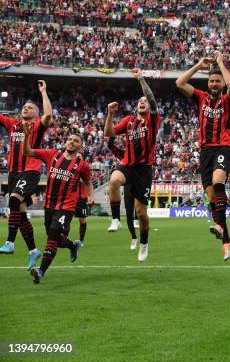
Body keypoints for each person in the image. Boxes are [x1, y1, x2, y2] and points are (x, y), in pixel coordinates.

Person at [175, 51, 230, 261]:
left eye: (217, 81)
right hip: (205, 151)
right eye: (210, 81)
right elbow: (179, 82)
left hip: (223, 147)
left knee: (217, 180)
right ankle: (227, 242)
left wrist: (220, 63)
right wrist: (198, 65)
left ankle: (220, 226)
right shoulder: (200, 97)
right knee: (212, 197)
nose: (213, 84)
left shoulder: (228, 100)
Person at [22, 126, 93, 284]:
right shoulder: (52, 155)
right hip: (49, 204)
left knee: (52, 236)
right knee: (55, 238)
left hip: (66, 206)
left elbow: (88, 182)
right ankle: (72, 246)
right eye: (70, 140)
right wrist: (26, 136)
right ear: (65, 142)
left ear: (80, 146)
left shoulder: (83, 165)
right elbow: (27, 152)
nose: (72, 142)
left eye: (76, 141)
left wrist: (91, 196)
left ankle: (41, 272)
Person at [104, 69, 160, 262]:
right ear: (136, 107)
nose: (143, 102)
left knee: (141, 213)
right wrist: (110, 114)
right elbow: (109, 133)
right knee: (113, 180)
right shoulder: (129, 121)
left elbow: (152, 100)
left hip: (144, 170)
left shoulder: (152, 120)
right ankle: (115, 220)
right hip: (128, 165)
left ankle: (144, 243)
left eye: (144, 101)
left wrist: (141, 79)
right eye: (140, 101)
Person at [0, 80, 53, 271]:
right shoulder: (13, 125)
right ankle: (33, 251)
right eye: (24, 106)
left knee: (14, 200)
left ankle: (10, 243)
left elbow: (48, 115)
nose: (25, 108)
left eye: (30, 107)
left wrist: (44, 92)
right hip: (13, 173)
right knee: (19, 213)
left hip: (30, 171)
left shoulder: (38, 125)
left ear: (35, 114)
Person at [107, 137, 139, 250]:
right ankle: (134, 237)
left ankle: (144, 237)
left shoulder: (142, 152)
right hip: (129, 184)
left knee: (140, 211)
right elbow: (110, 145)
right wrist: (113, 133)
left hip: (140, 182)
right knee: (129, 212)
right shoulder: (123, 153)